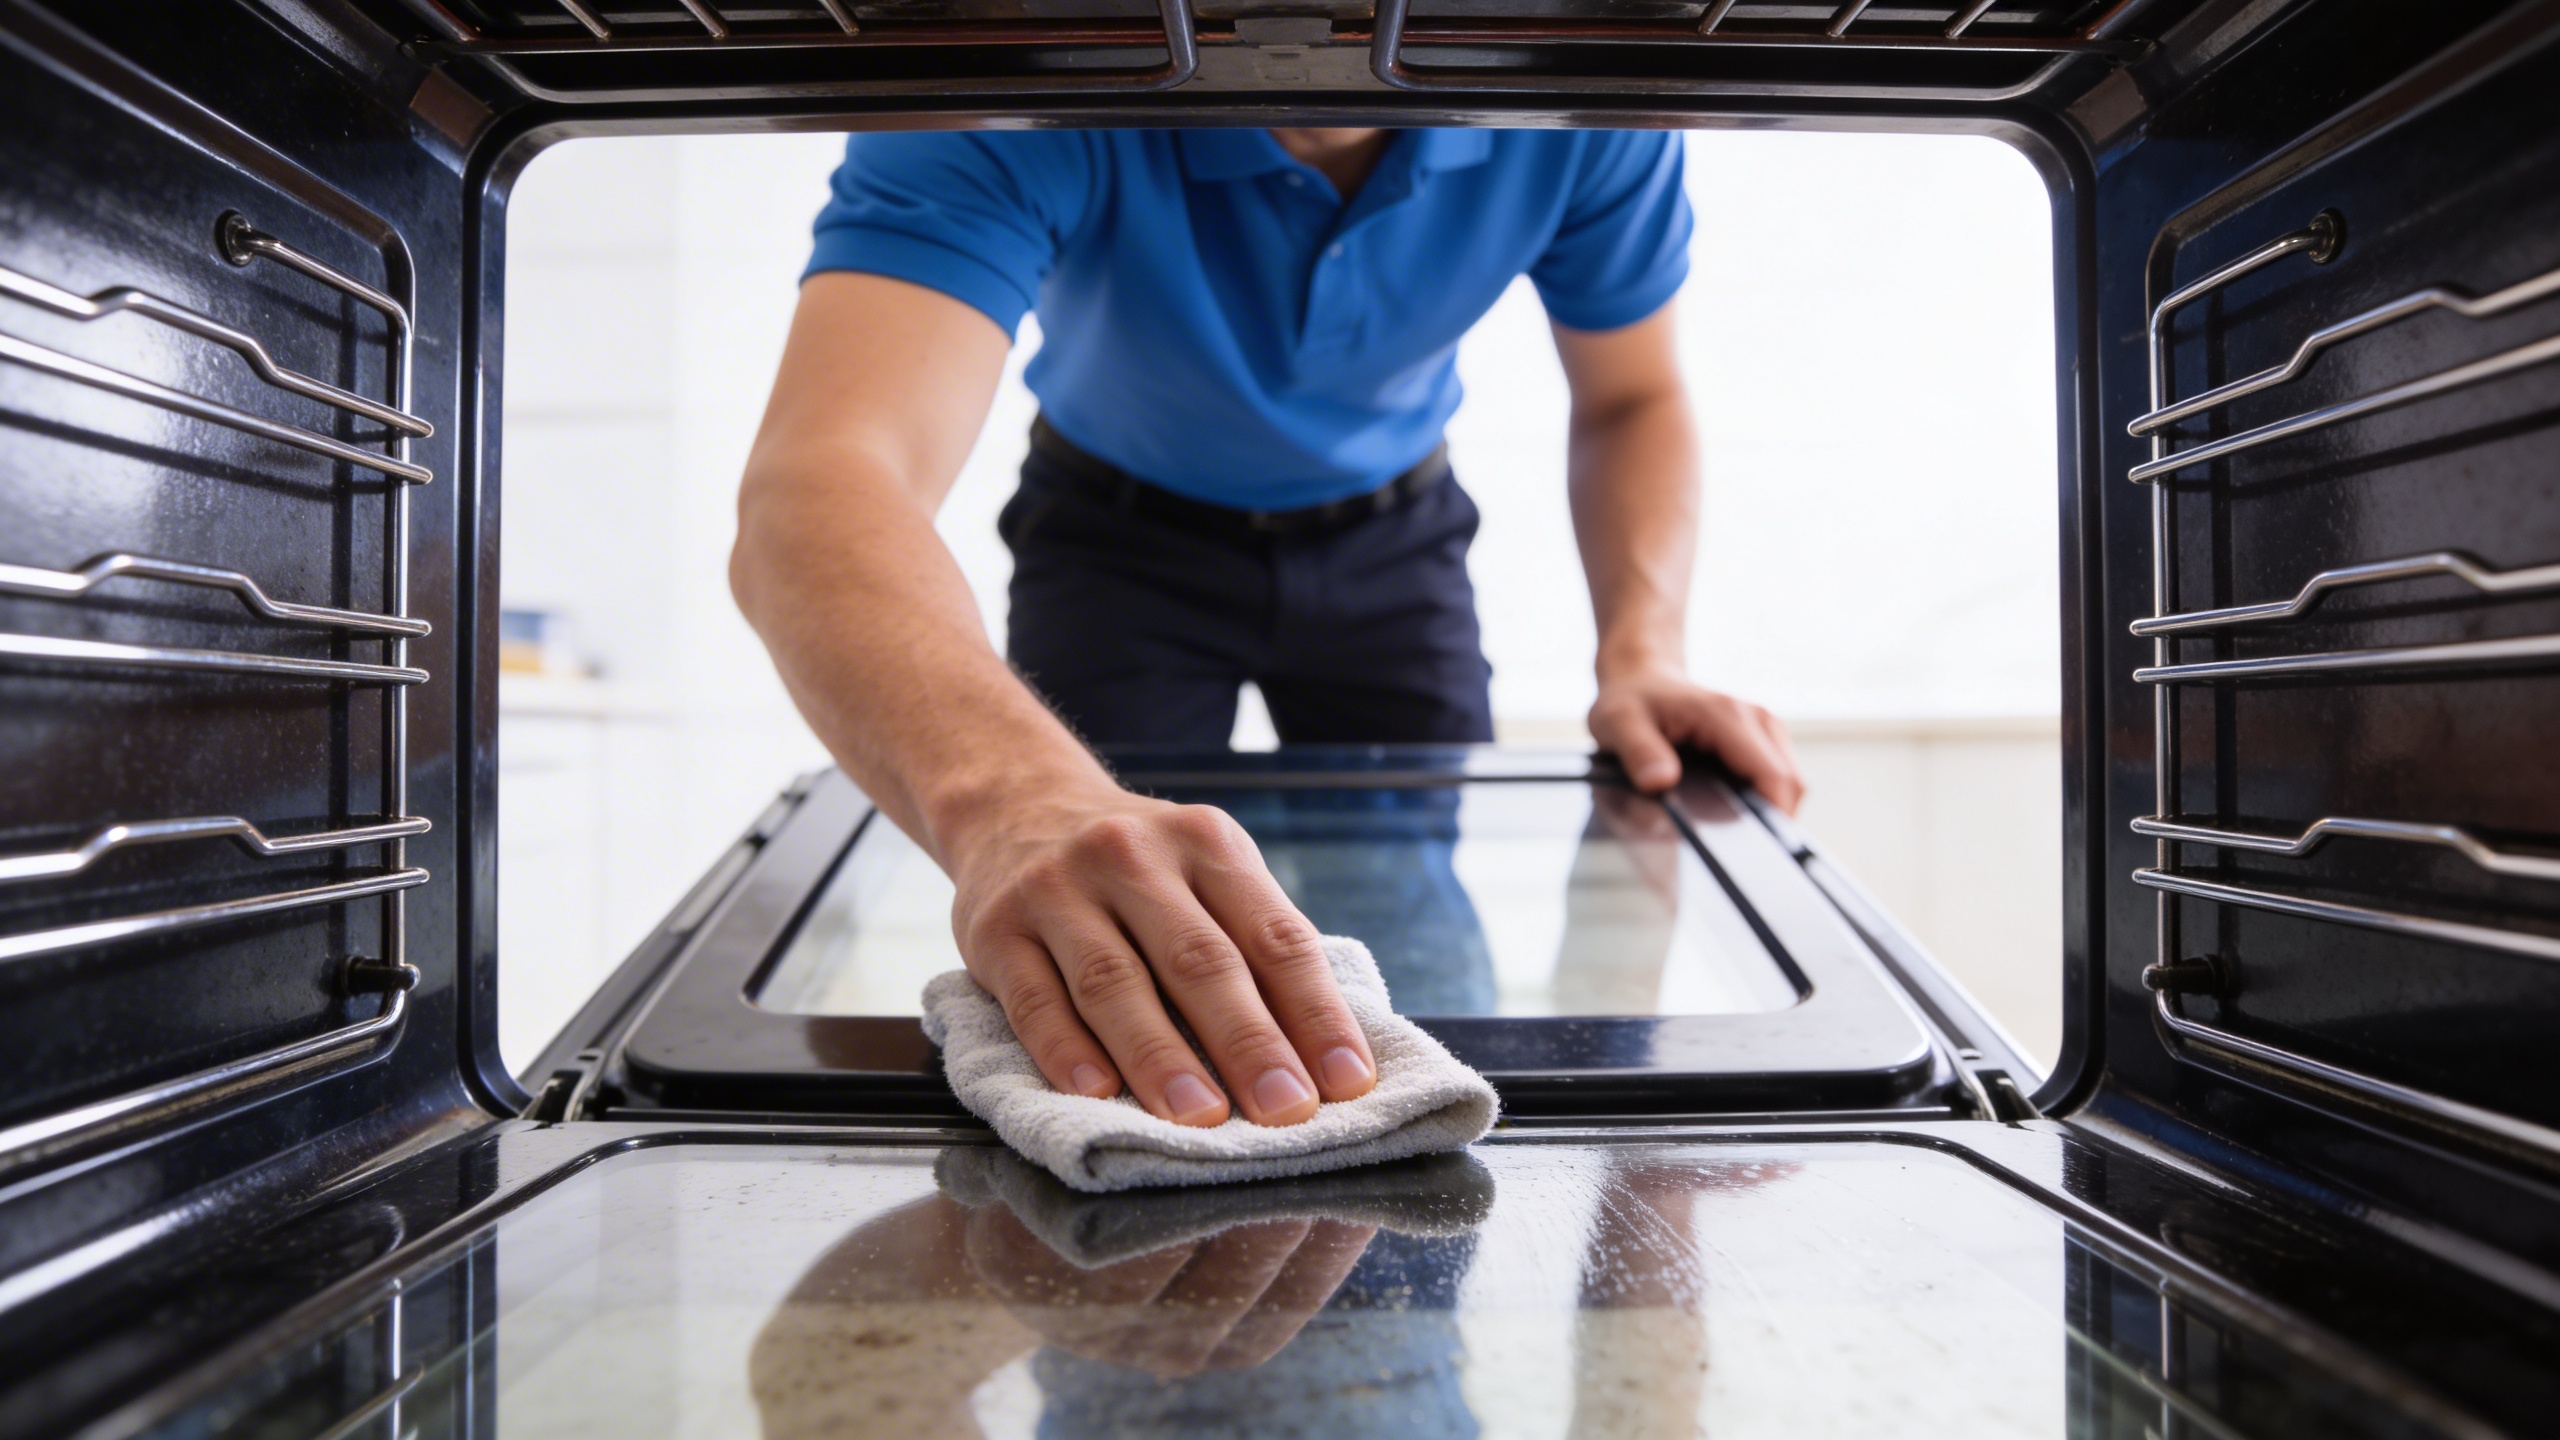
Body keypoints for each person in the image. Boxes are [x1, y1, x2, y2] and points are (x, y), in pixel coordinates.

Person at [730, 126, 1805, 1134]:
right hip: (1112, 537)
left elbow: (1631, 397)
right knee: (1097, 934)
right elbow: (821, 485)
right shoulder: (1017, 82)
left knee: (1418, 934)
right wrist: (1013, 800)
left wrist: (1642, 655)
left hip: (1395, 539)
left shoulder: (1579, 105)